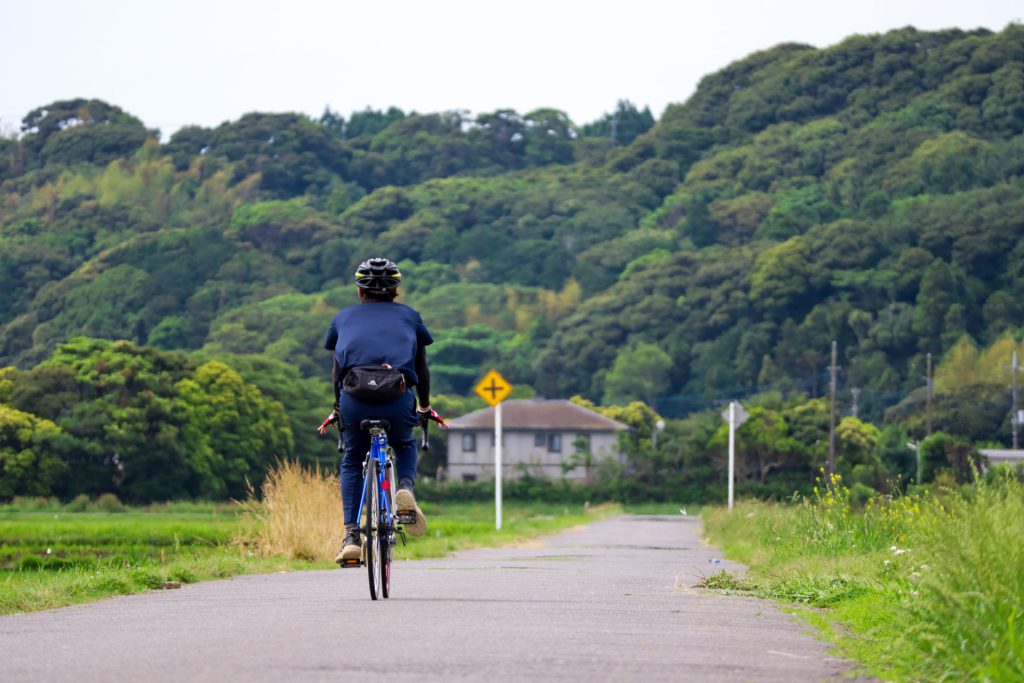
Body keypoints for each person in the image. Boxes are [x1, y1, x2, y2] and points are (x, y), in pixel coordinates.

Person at [322, 257, 437, 564]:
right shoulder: (411, 317)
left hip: (354, 399)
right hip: (396, 397)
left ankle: (351, 536)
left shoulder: (343, 318)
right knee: (403, 443)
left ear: (359, 292)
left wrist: (337, 409)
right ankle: (404, 489)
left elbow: (336, 373)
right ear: (396, 290)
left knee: (351, 460)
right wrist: (424, 407)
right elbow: (421, 371)